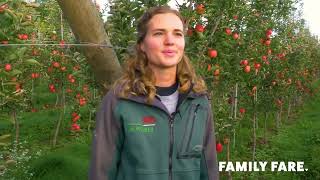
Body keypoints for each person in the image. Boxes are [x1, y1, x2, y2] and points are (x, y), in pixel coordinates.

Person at [89, 5, 219, 180]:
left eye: (177, 33)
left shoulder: (198, 100)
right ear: (142, 44)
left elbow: (208, 168)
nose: (170, 41)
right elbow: (101, 171)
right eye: (159, 33)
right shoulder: (120, 100)